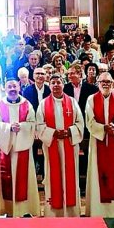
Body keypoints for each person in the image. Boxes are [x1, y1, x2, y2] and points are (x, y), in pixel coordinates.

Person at [36, 74, 84, 217]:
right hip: (52, 145)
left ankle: (71, 212)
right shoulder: (44, 104)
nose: (56, 85)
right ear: (49, 86)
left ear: (63, 85)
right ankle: (53, 212)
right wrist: (53, 133)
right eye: (53, 83)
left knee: (70, 176)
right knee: (53, 176)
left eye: (59, 82)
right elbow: (39, 125)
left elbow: (80, 123)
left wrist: (69, 132)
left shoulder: (72, 102)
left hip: (69, 144)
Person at [0, 78, 39, 217]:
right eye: (9, 87)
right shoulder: (0, 105)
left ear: (19, 87)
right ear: (5, 89)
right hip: (7, 148)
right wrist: (8, 128)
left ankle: (25, 209)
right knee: (8, 178)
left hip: (23, 147)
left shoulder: (27, 104)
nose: (12, 89)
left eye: (14, 86)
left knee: (24, 179)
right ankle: (9, 209)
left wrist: (23, 126)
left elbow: (32, 122)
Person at [85, 72, 114, 217]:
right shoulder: (91, 100)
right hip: (98, 145)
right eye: (103, 81)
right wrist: (103, 128)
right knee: (97, 178)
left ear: (112, 84)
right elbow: (89, 122)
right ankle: (97, 212)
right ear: (98, 83)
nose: (106, 84)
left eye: (108, 82)